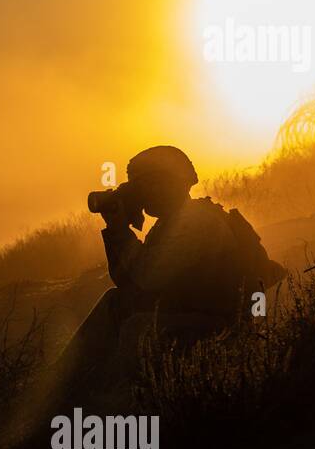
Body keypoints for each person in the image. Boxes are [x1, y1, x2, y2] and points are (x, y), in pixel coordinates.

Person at [52, 145, 284, 412]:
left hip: (222, 328)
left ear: (172, 182)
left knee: (137, 328)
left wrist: (120, 231)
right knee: (115, 302)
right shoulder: (169, 224)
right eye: (137, 184)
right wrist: (117, 230)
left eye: (147, 183)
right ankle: (63, 386)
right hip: (193, 317)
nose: (141, 192)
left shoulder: (198, 221)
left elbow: (148, 278)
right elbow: (129, 284)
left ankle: (131, 406)